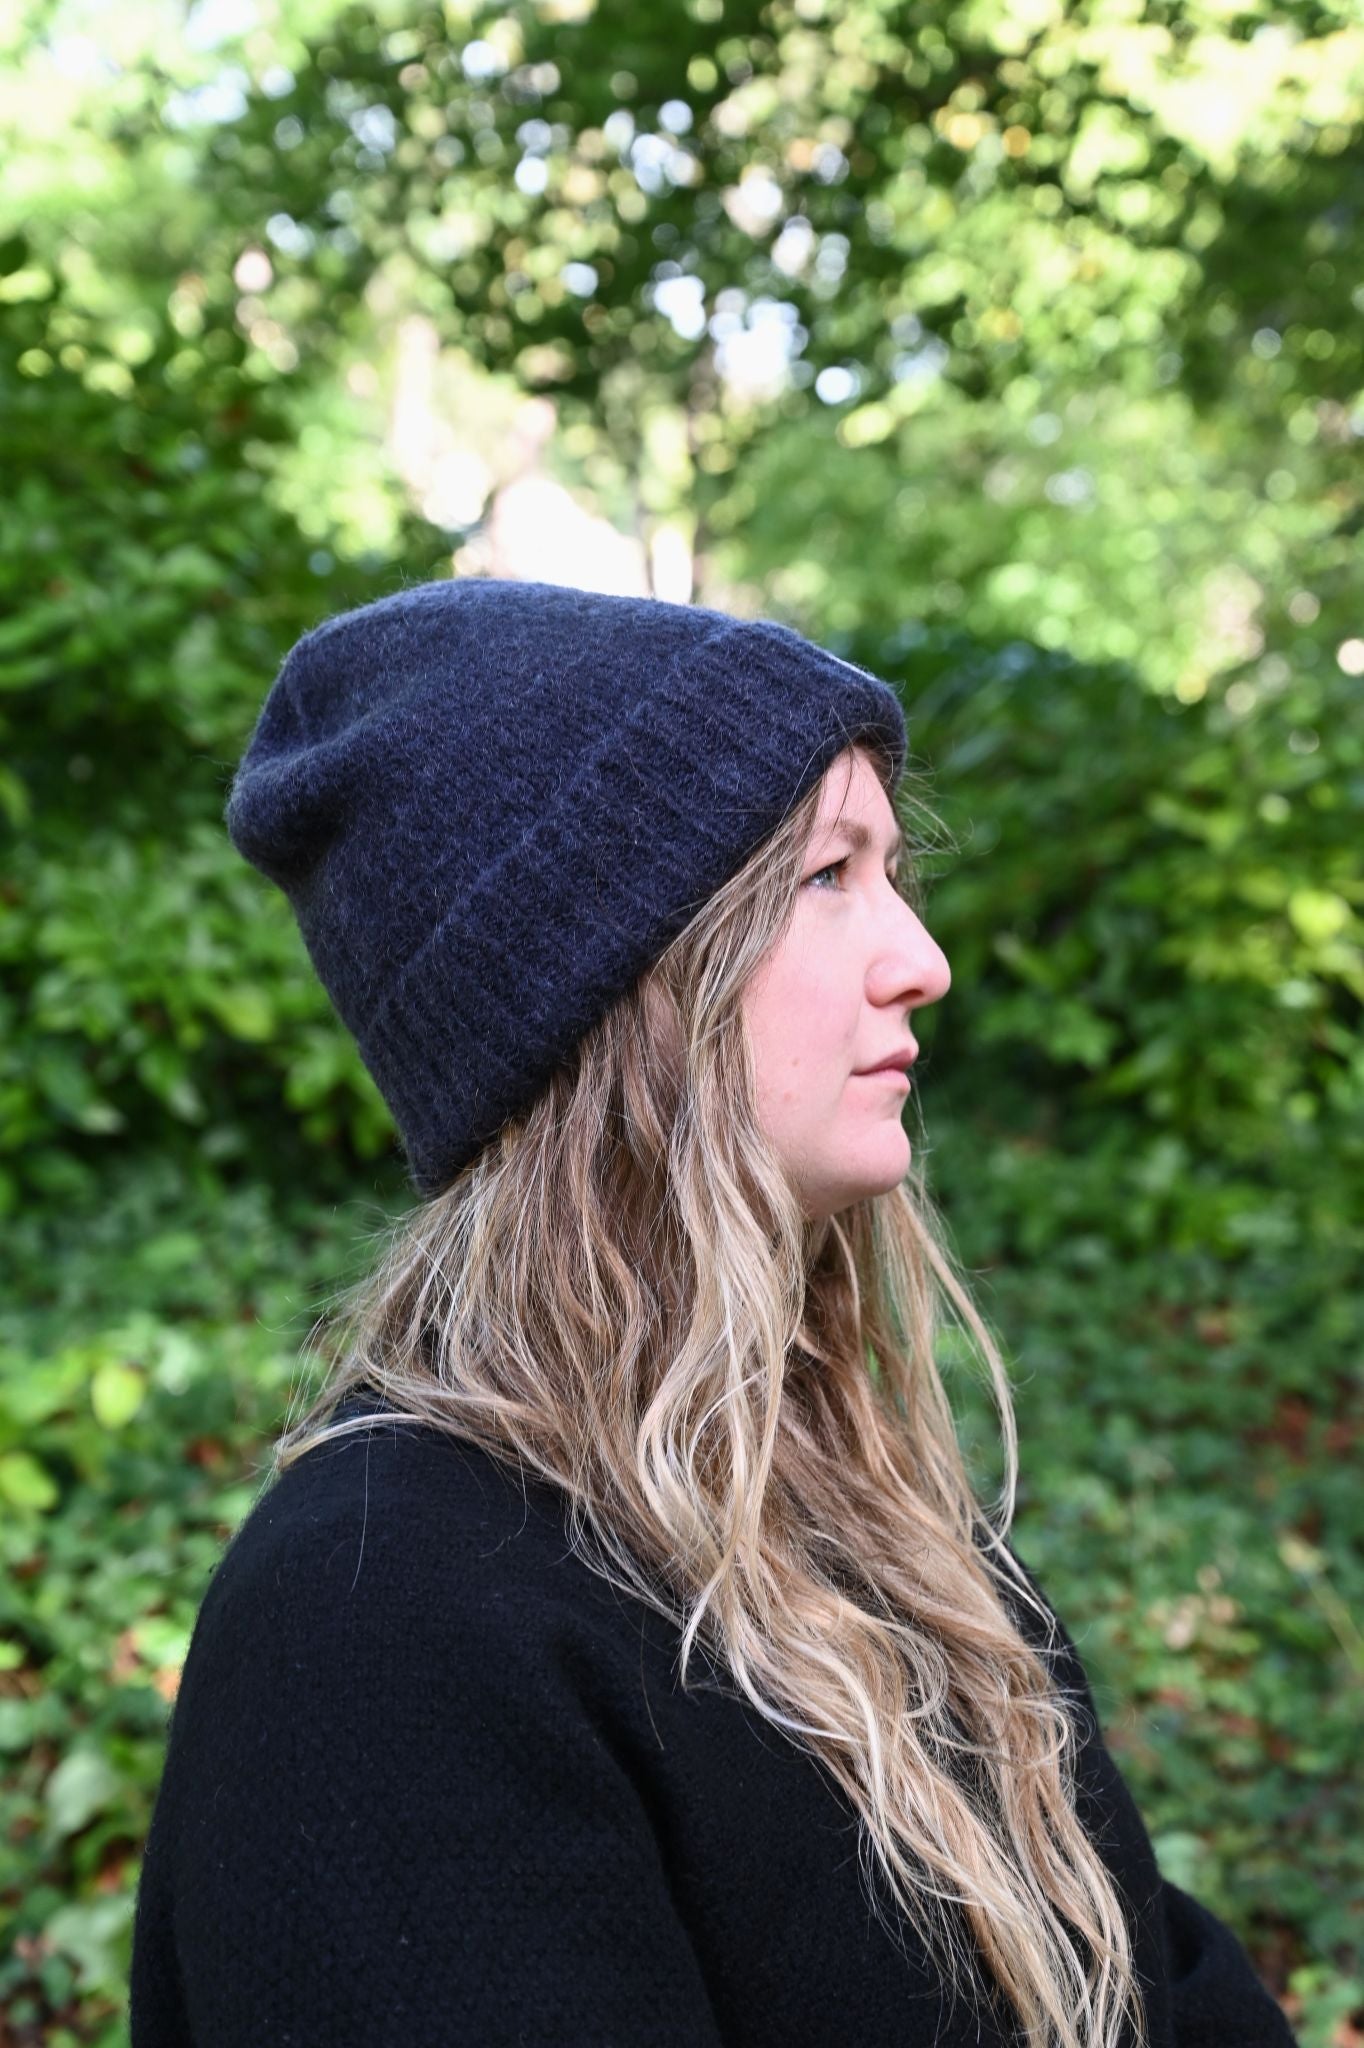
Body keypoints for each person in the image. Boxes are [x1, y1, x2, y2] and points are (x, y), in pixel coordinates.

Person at [128, 577, 1298, 2047]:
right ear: (622, 991)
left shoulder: (848, 1497)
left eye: (894, 871)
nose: (919, 957)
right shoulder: (383, 1624)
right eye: (829, 877)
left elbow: (1154, 1981)